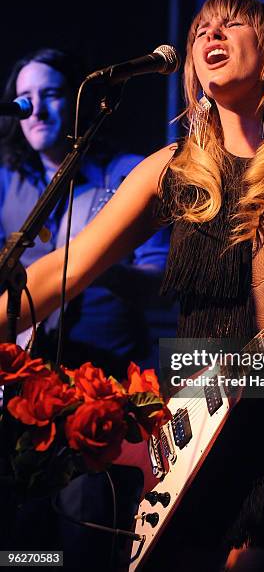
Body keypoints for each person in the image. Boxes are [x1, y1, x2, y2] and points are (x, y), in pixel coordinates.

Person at [0, 0, 264, 571]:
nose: (212, 33)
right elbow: (61, 270)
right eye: (201, 30)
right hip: (194, 424)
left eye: (232, 23)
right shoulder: (173, 166)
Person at [0, 48, 172, 570]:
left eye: (51, 95)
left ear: (79, 99)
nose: (37, 111)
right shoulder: (10, 181)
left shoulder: (125, 174)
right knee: (26, 552)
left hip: (95, 397)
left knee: (81, 548)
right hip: (21, 397)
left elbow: (159, 283)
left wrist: (94, 263)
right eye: (24, 100)